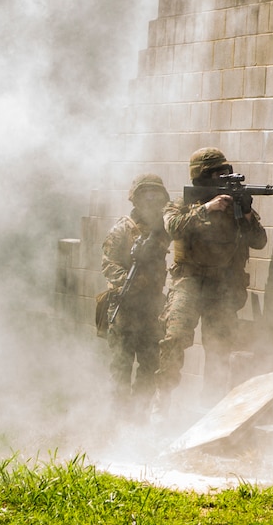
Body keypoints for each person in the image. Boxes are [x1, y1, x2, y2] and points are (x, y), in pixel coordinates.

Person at [152, 147, 267, 421]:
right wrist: (207, 208)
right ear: (201, 178)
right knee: (174, 338)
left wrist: (247, 213)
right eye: (216, 172)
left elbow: (259, 242)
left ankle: (212, 408)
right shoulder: (181, 204)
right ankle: (162, 403)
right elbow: (173, 227)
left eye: (225, 172)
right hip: (189, 282)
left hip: (223, 286)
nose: (223, 176)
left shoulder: (236, 207)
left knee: (219, 347)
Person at [101, 173, 172, 420]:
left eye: (156, 196)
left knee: (150, 366)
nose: (152, 201)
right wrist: (129, 282)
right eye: (146, 196)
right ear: (136, 199)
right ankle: (118, 419)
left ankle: (139, 418)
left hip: (151, 308)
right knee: (121, 367)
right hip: (126, 308)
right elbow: (109, 265)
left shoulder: (164, 228)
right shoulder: (121, 230)